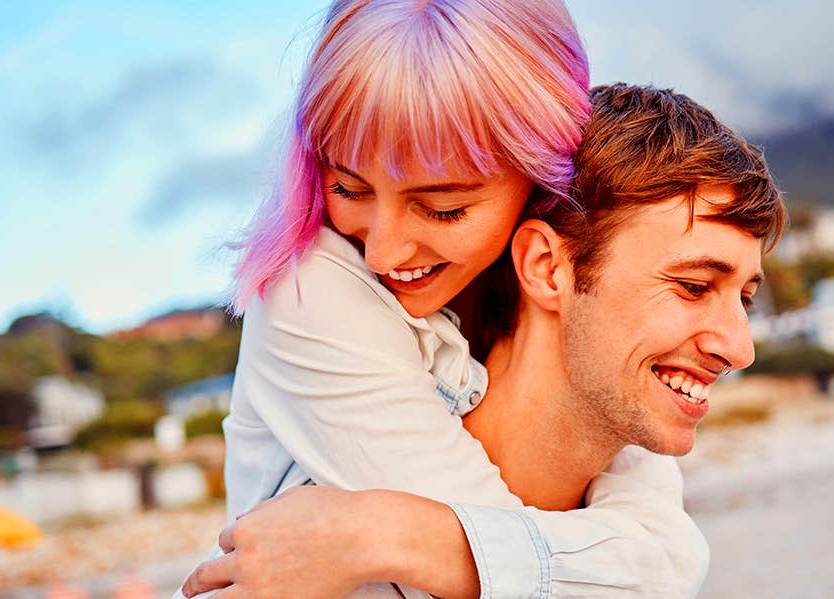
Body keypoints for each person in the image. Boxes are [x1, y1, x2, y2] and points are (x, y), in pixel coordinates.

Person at [175, 0, 770, 596]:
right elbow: (560, 565)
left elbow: (663, 556)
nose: (382, 254)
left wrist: (374, 533)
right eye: (347, 187)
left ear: (536, 177)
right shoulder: (313, 290)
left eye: (443, 207)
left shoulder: (558, 306)